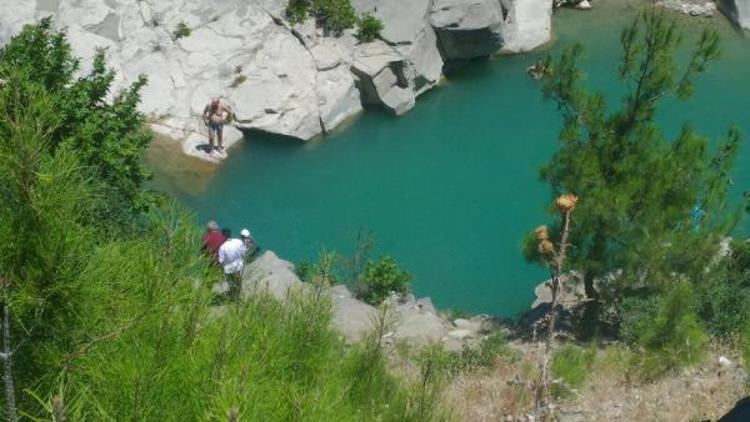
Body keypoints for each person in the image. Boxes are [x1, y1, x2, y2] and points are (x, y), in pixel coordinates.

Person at [218, 229, 248, 299]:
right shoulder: (238, 241)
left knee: (231, 282)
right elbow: (243, 252)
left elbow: (221, 261)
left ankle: (233, 296)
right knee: (238, 281)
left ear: (223, 236)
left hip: (229, 269)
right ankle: (238, 295)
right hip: (239, 266)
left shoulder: (222, 247)